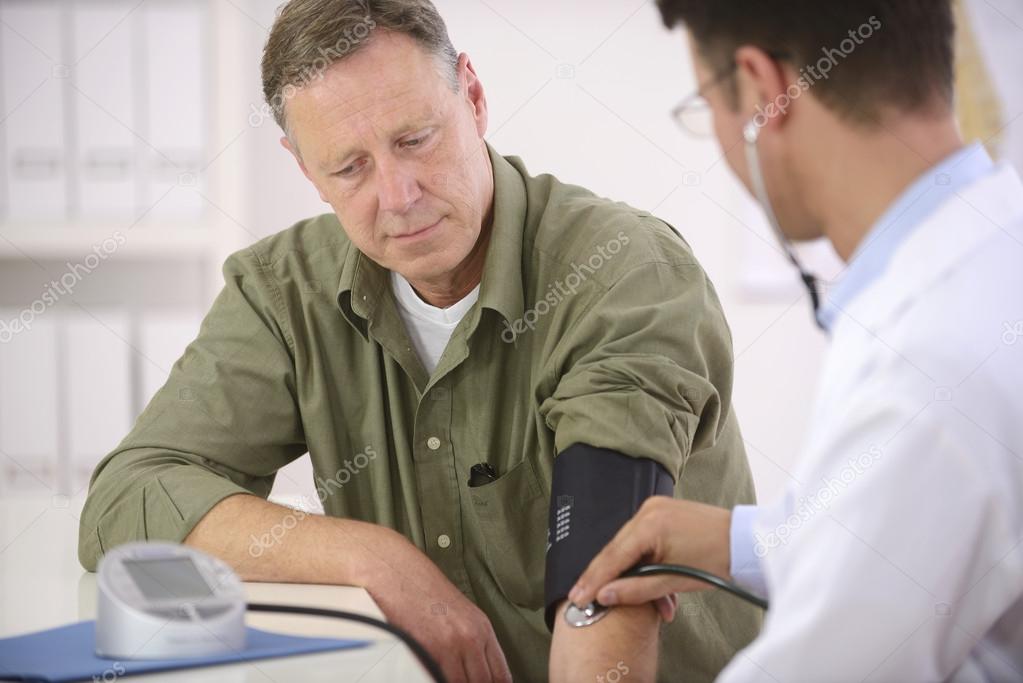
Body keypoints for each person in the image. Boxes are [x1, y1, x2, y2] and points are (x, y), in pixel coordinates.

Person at [77, 1, 761, 681]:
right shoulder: (282, 292)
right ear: (304, 168)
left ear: (473, 95)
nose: (398, 194)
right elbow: (130, 495)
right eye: (349, 167)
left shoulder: (624, 270)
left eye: (414, 140)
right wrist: (368, 556)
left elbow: (607, 570)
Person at [570, 1, 1023, 680]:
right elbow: (920, 537)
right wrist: (745, 540)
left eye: (707, 103)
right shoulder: (993, 245)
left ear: (760, 89)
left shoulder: (923, 369)